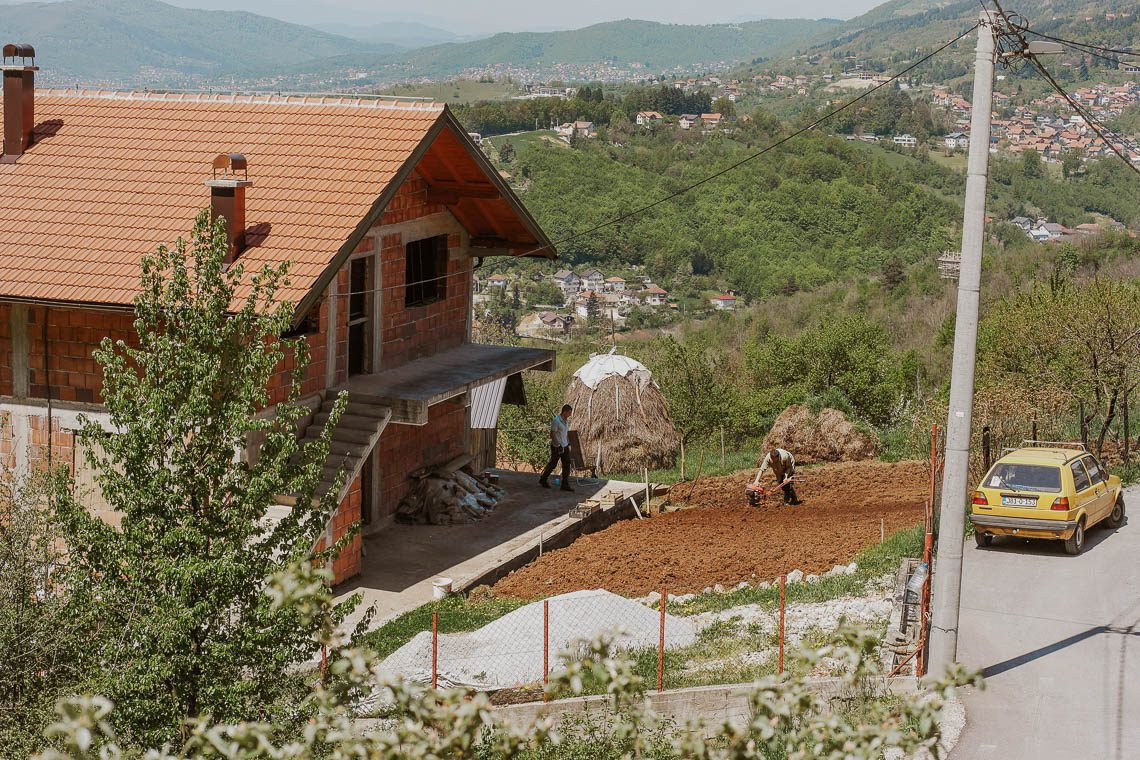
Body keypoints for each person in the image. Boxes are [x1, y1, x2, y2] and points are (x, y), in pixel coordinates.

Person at [539, 404, 574, 492]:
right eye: (569, 413)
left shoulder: (566, 421)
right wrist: (557, 445)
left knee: (566, 464)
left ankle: (564, 484)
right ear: (564, 412)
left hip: (565, 445)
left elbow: (565, 433)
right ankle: (543, 479)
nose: (570, 414)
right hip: (557, 446)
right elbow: (552, 434)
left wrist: (568, 443)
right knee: (553, 464)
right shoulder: (556, 421)